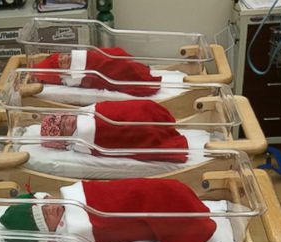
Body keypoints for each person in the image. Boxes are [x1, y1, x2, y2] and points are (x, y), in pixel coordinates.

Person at [0, 178, 217, 242]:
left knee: (158, 190)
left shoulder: (75, 194)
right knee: (156, 200)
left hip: (132, 192)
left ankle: (190, 210)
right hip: (118, 212)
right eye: (45, 216)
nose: (52, 208)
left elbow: (117, 190)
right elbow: (116, 226)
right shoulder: (78, 229)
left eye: (47, 203)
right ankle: (191, 222)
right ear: (49, 233)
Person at [38, 100, 188, 162]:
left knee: (142, 108)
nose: (68, 122)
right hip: (110, 132)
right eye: (63, 128)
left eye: (64, 119)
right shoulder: (82, 142)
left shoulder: (86, 111)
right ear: (65, 142)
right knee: (141, 130)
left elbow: (113, 108)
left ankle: (160, 120)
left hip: (112, 114)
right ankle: (163, 133)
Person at [31, 47, 160, 96]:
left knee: (116, 57)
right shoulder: (75, 78)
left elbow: (100, 55)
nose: (64, 58)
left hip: (105, 58)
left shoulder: (78, 57)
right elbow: (97, 79)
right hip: (100, 69)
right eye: (61, 63)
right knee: (118, 69)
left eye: (61, 56)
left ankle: (138, 70)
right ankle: (138, 75)